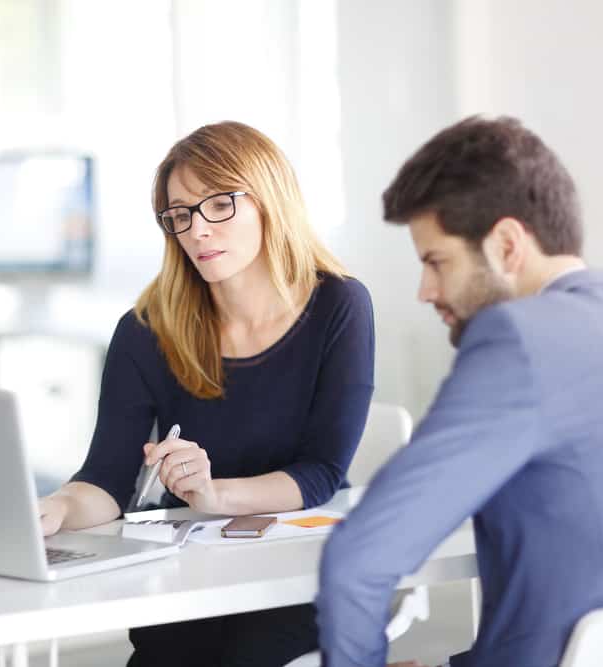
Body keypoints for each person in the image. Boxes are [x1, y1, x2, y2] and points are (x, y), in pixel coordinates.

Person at [315, 116, 603, 667]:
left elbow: (357, 562)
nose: (425, 290)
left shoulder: (518, 338)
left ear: (507, 245)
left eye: (436, 262)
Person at [38, 120, 375, 666]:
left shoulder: (338, 306)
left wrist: (214, 495)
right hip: (191, 570)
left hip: (300, 568)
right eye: (180, 215)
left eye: (219, 205)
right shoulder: (146, 329)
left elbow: (321, 472)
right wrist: (57, 508)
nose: (198, 230)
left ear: (268, 200)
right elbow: (106, 481)